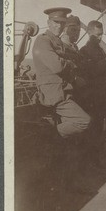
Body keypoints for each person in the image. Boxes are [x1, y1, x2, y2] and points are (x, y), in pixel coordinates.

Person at [32, 7, 91, 140]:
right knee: (84, 121)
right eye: (55, 22)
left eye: (62, 23)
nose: (59, 26)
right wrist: (70, 64)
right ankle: (48, 133)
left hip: (63, 91)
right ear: (48, 23)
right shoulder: (43, 40)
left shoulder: (57, 42)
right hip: (53, 94)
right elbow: (57, 66)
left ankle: (56, 142)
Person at [79, 21, 106, 170]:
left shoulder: (100, 50)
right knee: (96, 131)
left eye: (101, 34)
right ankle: (95, 163)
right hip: (95, 97)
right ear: (89, 33)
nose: (99, 37)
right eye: (97, 35)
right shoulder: (84, 51)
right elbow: (92, 71)